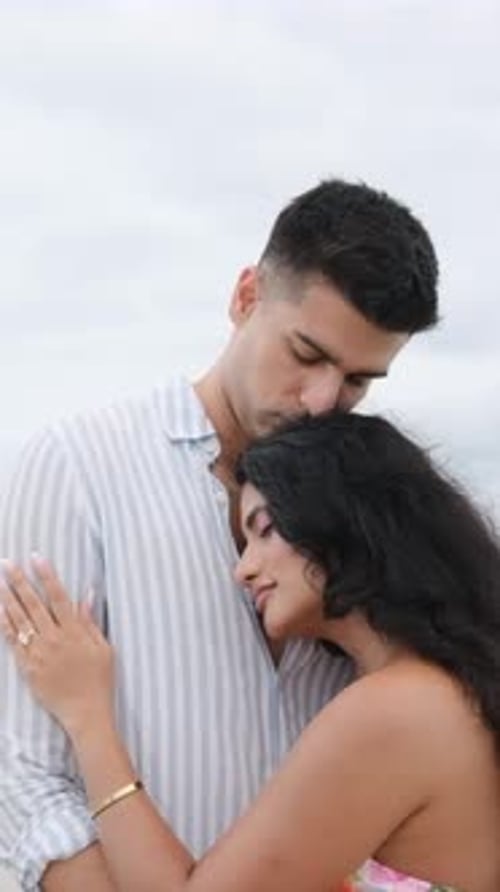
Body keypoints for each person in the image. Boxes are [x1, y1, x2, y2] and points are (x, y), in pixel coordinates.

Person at [0, 179, 439, 892]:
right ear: (245, 297)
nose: (325, 401)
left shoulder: (363, 509)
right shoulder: (78, 465)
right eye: (306, 353)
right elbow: (24, 778)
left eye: (360, 380)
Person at [2, 411, 500, 892]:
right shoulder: (449, 690)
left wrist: (89, 717)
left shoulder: (393, 710)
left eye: (263, 530)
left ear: (343, 517)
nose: (243, 570)